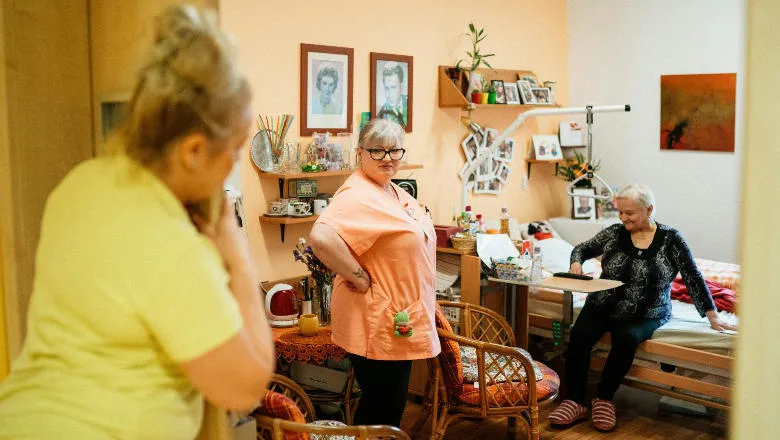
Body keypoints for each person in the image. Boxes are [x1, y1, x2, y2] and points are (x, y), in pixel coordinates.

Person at [0, 6, 274, 439]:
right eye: (236, 148)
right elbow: (245, 386)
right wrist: (239, 259)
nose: (235, 163)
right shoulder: (171, 245)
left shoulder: (83, 182)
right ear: (194, 151)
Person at [548, 183, 736, 432]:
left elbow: (692, 276)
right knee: (580, 335)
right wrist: (575, 264)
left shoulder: (670, 239)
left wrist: (712, 316)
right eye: (621, 212)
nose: (623, 218)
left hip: (646, 311)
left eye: (630, 213)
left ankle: (604, 398)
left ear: (649, 210)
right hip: (603, 303)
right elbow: (582, 248)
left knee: (626, 337)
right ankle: (575, 399)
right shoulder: (614, 233)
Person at [309, 119, 440, 427]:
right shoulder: (357, 194)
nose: (387, 157)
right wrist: (357, 276)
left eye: (394, 150)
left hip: (399, 315)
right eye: (377, 150)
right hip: (378, 318)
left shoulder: (391, 190)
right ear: (360, 153)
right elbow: (322, 238)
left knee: (387, 404)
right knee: (383, 406)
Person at [376, 62, 408, 128]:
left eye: (393, 88)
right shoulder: (380, 116)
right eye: (387, 88)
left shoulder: (411, 104)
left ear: (402, 85)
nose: (389, 94)